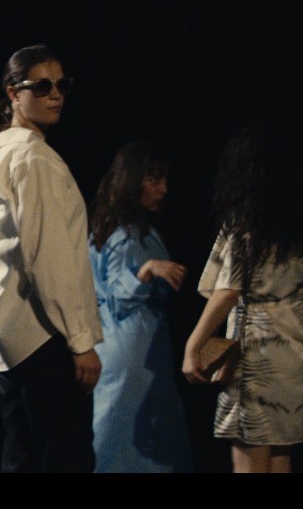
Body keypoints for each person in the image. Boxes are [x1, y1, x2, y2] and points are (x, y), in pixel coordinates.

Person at [0, 43, 102, 473]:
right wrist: (81, 342)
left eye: (62, 85)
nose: (56, 93)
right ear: (13, 93)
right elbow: (50, 259)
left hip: (11, 330)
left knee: (24, 455)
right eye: (42, 86)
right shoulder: (33, 158)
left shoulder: (2, 157)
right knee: (61, 457)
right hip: (42, 331)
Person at [182, 121, 303, 473]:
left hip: (258, 354)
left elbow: (229, 289)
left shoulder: (247, 222)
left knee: (249, 460)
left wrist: (194, 344)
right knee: (281, 455)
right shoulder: (295, 223)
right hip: (293, 351)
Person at [87, 140, 193, 472]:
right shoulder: (122, 235)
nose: (163, 189)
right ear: (133, 180)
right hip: (130, 348)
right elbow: (118, 293)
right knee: (126, 435)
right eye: (154, 179)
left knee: (144, 433)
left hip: (143, 345)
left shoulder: (132, 230)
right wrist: (147, 271)